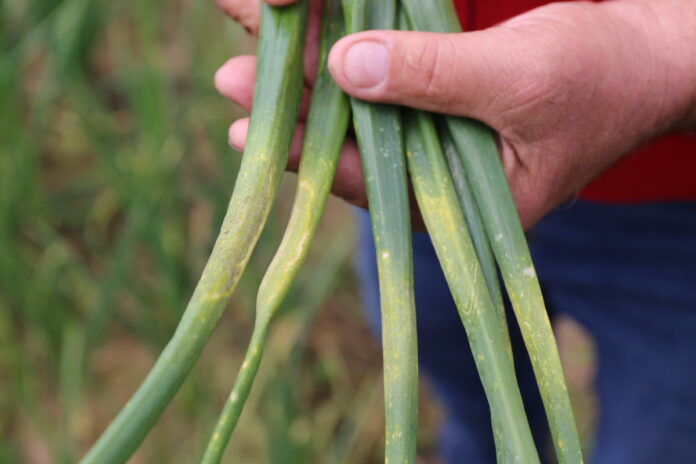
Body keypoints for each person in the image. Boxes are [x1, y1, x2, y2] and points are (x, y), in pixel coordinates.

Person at [214, 0, 696, 462]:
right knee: (464, 382)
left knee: (661, 439)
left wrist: (665, 50)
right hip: (412, 151)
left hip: (678, 202)